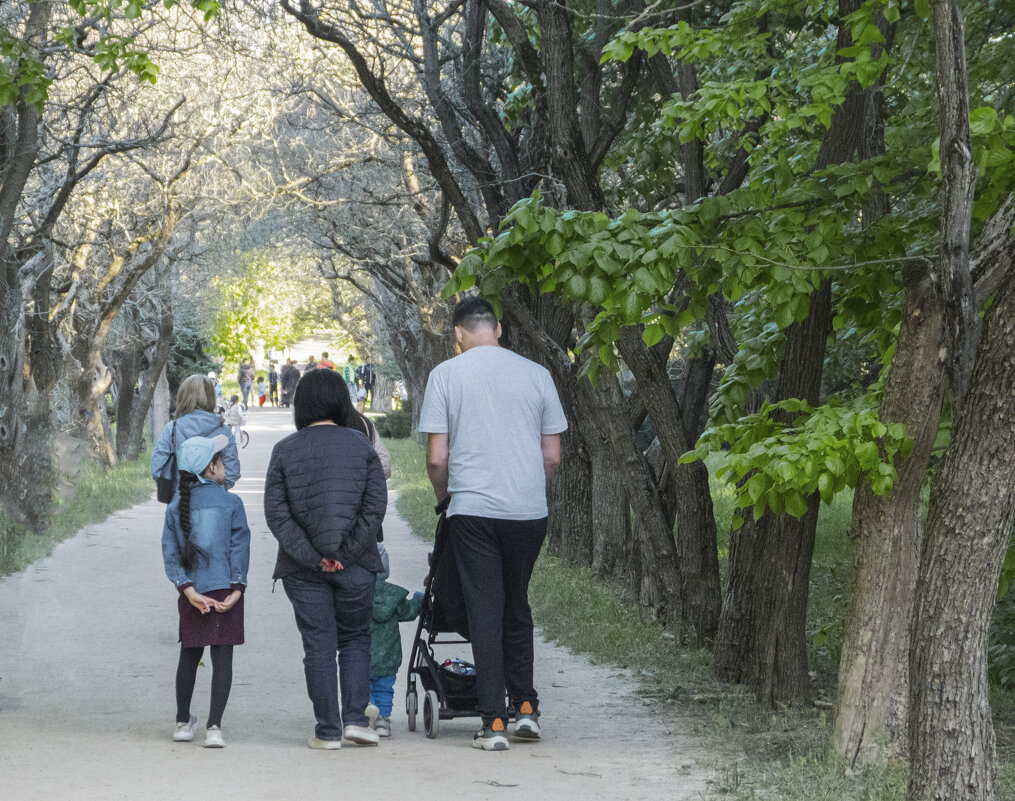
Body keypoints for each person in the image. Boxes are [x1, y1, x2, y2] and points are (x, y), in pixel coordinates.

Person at [417, 296, 567, 751]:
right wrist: (527, 489)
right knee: (516, 603)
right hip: (527, 512)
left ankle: (493, 721)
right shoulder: (537, 375)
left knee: (485, 609)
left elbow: (437, 457)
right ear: (498, 329)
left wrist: (446, 498)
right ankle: (525, 708)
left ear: (459, 335)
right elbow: (552, 455)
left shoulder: (445, 375)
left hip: (474, 512)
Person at [264, 368, 387, 750]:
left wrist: (314, 556)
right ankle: (355, 720)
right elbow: (374, 506)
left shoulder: (284, 450)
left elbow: (277, 513)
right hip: (357, 566)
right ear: (340, 402)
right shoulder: (361, 445)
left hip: (303, 571)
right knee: (355, 639)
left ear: (300, 405)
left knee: (318, 645)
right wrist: (345, 553)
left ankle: (327, 731)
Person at [162, 434, 251, 749]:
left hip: (193, 596)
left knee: (189, 655)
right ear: (211, 468)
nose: (225, 464)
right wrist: (238, 587)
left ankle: (183, 722)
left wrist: (187, 590)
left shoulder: (175, 507)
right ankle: (214, 727)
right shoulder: (232, 503)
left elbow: (170, 554)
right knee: (222, 657)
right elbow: (239, 548)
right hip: (225, 590)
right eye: (222, 460)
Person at [365, 544, 422, 737]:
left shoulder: (357, 594)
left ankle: (367, 709)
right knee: (385, 689)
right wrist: (419, 599)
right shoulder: (394, 597)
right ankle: (383, 722)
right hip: (389, 656)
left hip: (364, 655)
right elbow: (410, 612)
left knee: (364, 685)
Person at [152, 375, 240, 493]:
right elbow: (232, 472)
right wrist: (217, 490)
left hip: (180, 502)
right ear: (211, 397)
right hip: (216, 503)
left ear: (183, 397)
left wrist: (177, 491)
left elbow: (158, 470)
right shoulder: (224, 431)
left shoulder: (171, 429)